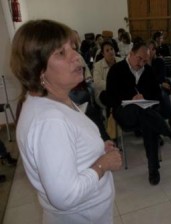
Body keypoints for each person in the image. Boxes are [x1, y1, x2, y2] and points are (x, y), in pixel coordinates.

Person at [10, 19, 122, 224]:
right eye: (60, 53)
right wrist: (102, 164)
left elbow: (68, 145)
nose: (76, 57)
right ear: (39, 69)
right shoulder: (50, 121)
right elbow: (65, 196)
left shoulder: (54, 99)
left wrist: (95, 149)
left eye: (72, 47)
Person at [106, 39, 171, 185]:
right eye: (139, 59)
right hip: (124, 113)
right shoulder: (116, 69)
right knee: (144, 113)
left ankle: (153, 169)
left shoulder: (148, 70)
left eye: (145, 60)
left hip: (145, 111)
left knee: (149, 123)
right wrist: (130, 98)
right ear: (131, 53)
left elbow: (156, 94)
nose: (141, 63)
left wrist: (144, 97)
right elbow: (109, 96)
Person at [93, 41, 122, 106]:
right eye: (107, 50)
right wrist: (113, 86)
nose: (111, 52)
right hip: (104, 91)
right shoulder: (98, 65)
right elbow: (97, 82)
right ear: (103, 54)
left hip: (120, 90)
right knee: (109, 96)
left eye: (112, 49)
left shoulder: (121, 61)